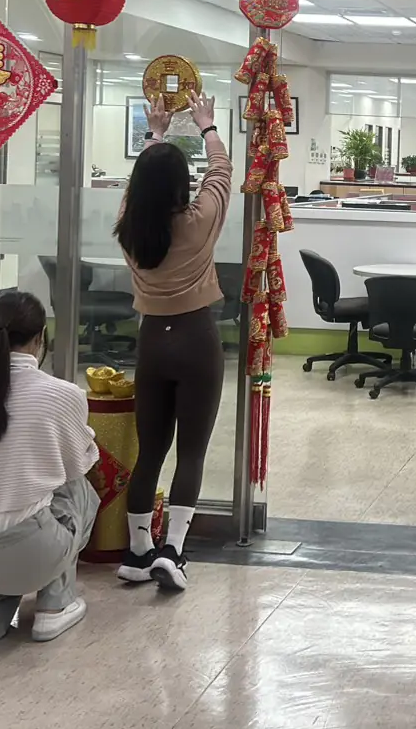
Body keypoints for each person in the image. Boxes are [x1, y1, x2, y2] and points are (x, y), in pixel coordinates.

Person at [0, 290, 99, 649]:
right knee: (79, 491)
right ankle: (54, 605)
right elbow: (78, 464)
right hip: (31, 556)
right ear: (40, 338)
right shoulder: (63, 394)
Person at [113, 92, 230, 591]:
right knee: (192, 452)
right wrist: (207, 127)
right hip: (196, 338)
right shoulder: (198, 223)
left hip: (152, 345)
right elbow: (220, 174)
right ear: (183, 185)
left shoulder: (129, 229)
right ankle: (174, 551)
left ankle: (138, 551)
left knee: (151, 452)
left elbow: (136, 189)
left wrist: (155, 134)